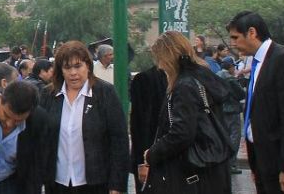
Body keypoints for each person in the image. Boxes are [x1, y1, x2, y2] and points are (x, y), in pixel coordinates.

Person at [228, 11, 284, 194]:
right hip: (263, 161)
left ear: (252, 32)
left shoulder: (282, 59)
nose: (233, 43)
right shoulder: (258, 62)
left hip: (282, 165)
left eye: (236, 37)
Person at [140, 31, 232, 193]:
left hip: (192, 174)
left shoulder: (184, 86)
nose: (159, 66)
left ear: (169, 57)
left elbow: (182, 133)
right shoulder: (203, 76)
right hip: (213, 170)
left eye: (160, 59)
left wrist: (152, 153)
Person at [42, 41, 129, 194]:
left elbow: (119, 140)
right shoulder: (49, 95)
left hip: (96, 183)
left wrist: (116, 185)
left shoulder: (105, 93)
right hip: (57, 183)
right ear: (60, 70)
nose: (73, 73)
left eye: (78, 66)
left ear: (88, 66)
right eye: (67, 67)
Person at [129, 64, 167, 192]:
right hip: (151, 157)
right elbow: (139, 124)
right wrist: (142, 162)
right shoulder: (145, 80)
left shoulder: (182, 80)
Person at [216, 57, 245, 174]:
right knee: (234, 138)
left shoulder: (217, 75)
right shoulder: (230, 78)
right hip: (232, 110)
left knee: (224, 137)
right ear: (231, 67)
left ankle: (223, 163)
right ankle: (231, 164)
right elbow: (241, 94)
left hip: (221, 110)